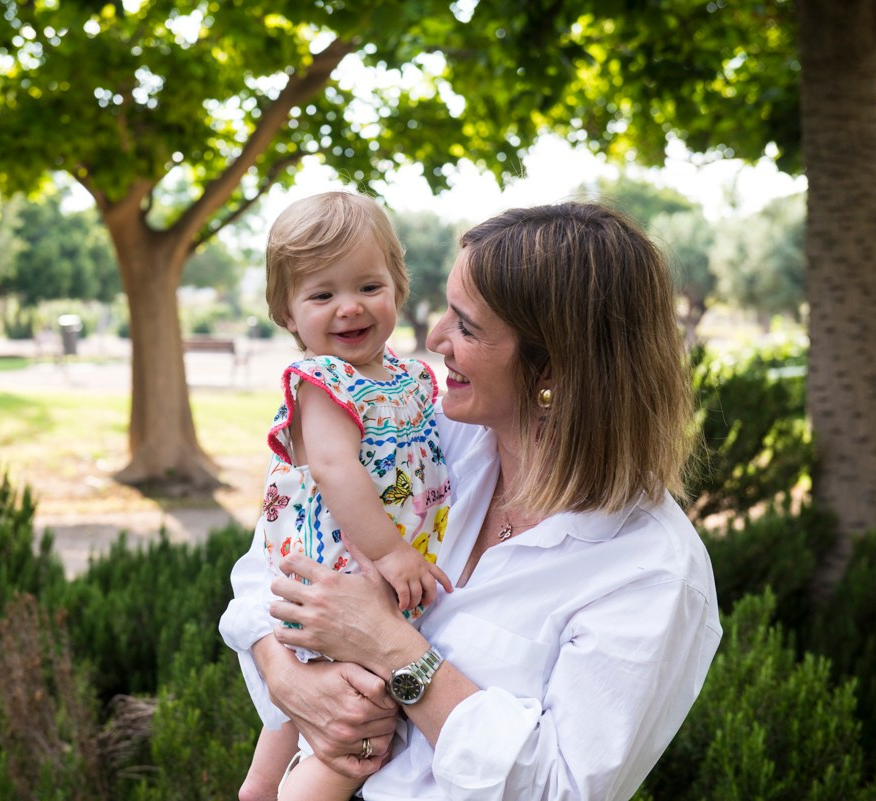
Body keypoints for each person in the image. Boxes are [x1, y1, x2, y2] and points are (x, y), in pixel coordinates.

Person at [220, 201, 723, 800]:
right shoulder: (430, 438)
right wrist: (282, 673)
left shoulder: (648, 573)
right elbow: (278, 549)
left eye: (466, 326)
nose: (434, 339)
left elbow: (557, 788)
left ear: (552, 367)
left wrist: (396, 649)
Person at [237, 190, 454, 801]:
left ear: (399, 286)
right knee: (352, 735)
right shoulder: (322, 382)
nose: (349, 308)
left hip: (363, 586)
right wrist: (390, 553)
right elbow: (334, 469)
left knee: (292, 724)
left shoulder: (411, 377)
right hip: (339, 578)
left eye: (368, 286)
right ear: (287, 313)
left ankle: (257, 788)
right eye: (322, 295)